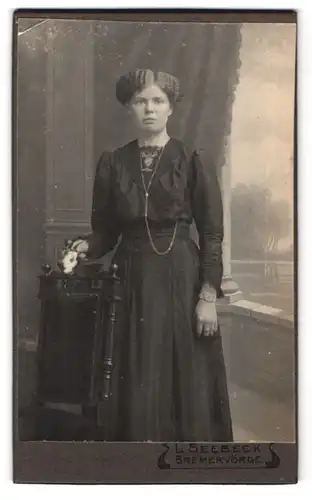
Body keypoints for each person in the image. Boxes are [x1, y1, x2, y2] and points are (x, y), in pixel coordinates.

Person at [67, 69, 233, 442]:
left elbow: (211, 232)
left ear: (171, 108)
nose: (149, 109)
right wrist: (86, 247)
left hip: (180, 275)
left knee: (180, 371)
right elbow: (105, 231)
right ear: (129, 107)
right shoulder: (113, 162)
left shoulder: (191, 159)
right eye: (141, 101)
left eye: (158, 101)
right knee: (134, 368)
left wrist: (208, 295)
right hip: (130, 276)